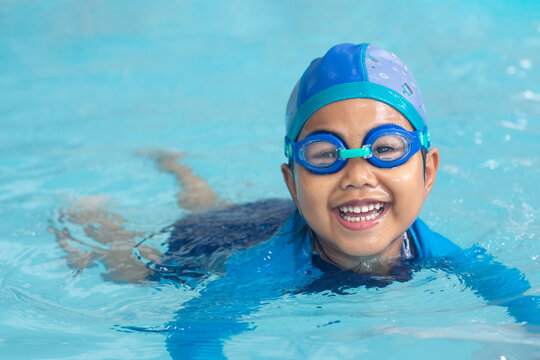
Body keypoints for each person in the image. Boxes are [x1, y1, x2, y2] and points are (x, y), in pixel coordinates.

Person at [50, 43, 539, 359]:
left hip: (267, 216)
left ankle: (180, 168)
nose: (357, 175)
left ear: (428, 170)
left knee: (207, 200)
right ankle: (89, 216)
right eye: (325, 155)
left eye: (386, 149)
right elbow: (191, 336)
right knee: (133, 271)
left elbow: (517, 297)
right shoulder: (265, 268)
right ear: (294, 181)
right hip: (216, 242)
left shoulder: (437, 249)